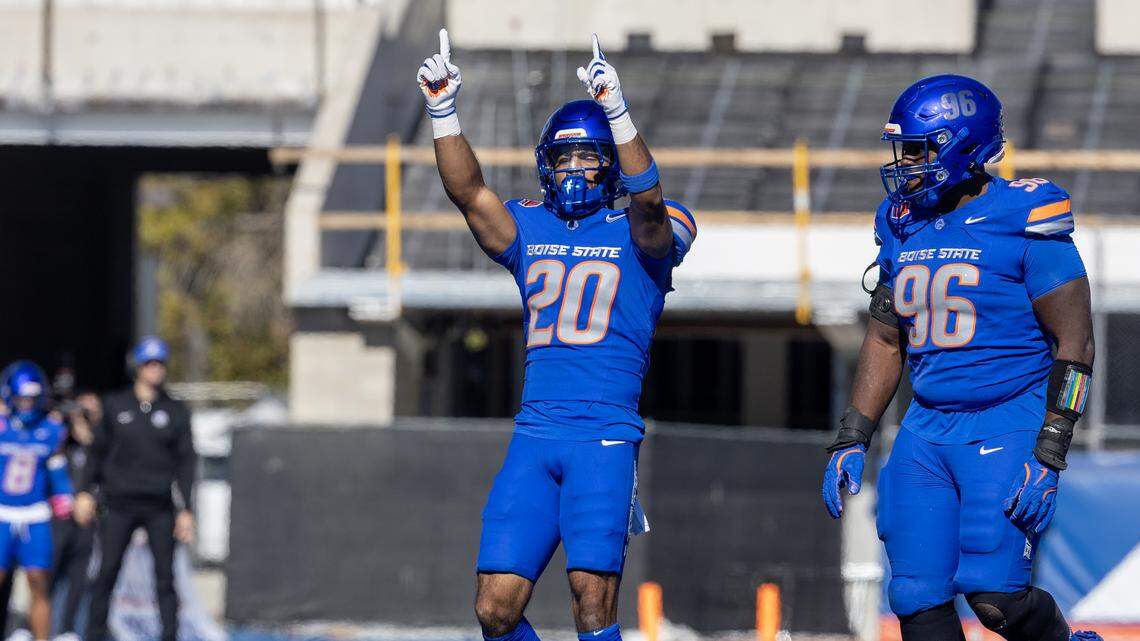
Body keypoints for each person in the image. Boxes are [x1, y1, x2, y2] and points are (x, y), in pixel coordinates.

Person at [418, 29, 696, 641]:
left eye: (588, 156)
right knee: (494, 609)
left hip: (603, 436)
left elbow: (652, 207)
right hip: (534, 433)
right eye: (563, 157)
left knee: (591, 607)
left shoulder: (643, 233)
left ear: (610, 164)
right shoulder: (531, 225)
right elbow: (467, 193)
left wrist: (616, 110)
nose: (574, 169)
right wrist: (442, 109)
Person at [820, 74, 1101, 641]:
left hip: (1006, 417)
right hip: (926, 428)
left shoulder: (1025, 216)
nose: (905, 165)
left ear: (962, 146)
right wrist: (853, 436)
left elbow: (1075, 348)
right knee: (915, 598)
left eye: (918, 150)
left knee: (996, 596)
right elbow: (884, 338)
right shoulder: (901, 224)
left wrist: (1051, 450)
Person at [74, 337, 196, 641]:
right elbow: (97, 453)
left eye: (160, 363)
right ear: (137, 367)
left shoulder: (176, 410)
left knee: (165, 580)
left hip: (159, 506)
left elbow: (186, 463)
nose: (155, 369)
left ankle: (169, 636)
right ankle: (94, 635)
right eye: (149, 363)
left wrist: (187, 510)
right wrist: (85, 492)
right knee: (107, 573)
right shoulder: (116, 405)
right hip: (118, 505)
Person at [0, 362, 74, 641]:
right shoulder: (2, 425)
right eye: (21, 398)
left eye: (32, 398)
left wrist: (64, 496)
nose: (27, 404)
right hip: (3, 513)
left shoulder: (50, 429)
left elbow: (57, 469)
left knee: (38, 582)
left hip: (35, 514)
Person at [50, 390, 101, 641]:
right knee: (46, 575)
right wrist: (61, 419)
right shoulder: (62, 440)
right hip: (57, 517)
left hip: (86, 518)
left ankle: (68, 630)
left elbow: (96, 449)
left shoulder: (100, 440)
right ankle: (36, 627)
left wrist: (83, 421)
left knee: (78, 577)